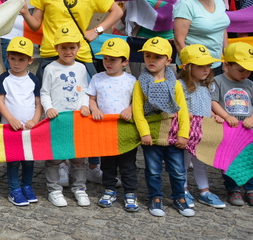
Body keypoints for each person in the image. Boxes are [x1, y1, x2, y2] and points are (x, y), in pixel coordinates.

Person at [132, 37, 193, 217]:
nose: (151, 60)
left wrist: (184, 134)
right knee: (152, 170)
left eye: (157, 57)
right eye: (148, 56)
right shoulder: (140, 84)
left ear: (168, 60)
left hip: (172, 135)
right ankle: (155, 197)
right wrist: (144, 133)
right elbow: (137, 110)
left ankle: (179, 197)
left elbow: (182, 110)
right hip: (152, 136)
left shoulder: (175, 85)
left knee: (177, 170)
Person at [41, 27, 91, 207]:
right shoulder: (50, 68)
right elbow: (45, 92)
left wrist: (85, 105)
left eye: (72, 48)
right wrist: (49, 108)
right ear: (56, 48)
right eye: (63, 48)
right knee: (55, 156)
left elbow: (85, 90)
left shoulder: (81, 68)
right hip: (58, 119)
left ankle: (79, 188)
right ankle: (53, 189)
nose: (68, 52)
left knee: (78, 156)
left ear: (78, 48)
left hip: (76, 119)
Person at [87, 38, 139, 212]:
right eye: (105, 58)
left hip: (125, 129)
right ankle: (109, 189)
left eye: (113, 59)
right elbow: (91, 98)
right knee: (107, 163)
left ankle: (130, 192)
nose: (108, 63)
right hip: (105, 128)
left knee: (128, 163)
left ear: (125, 62)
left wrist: (130, 109)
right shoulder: (97, 78)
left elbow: (137, 101)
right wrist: (94, 109)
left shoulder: (131, 80)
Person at [0, 36, 42, 206]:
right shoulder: (4, 78)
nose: (16, 63)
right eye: (13, 58)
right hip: (10, 127)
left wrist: (35, 120)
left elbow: (38, 103)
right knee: (13, 160)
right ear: (7, 57)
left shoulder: (33, 80)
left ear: (30, 60)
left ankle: (27, 186)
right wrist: (11, 119)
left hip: (29, 128)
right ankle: (14, 189)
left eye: (21, 59)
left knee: (29, 159)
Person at [176, 44, 225, 209]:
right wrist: (183, 114)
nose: (206, 70)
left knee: (201, 161)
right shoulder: (180, 86)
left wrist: (213, 115)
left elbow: (206, 105)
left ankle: (204, 191)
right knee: (183, 161)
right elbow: (176, 106)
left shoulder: (207, 85)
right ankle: (182, 190)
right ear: (187, 67)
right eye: (200, 66)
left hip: (202, 130)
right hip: (186, 130)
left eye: (208, 66)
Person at [210, 43, 253, 206]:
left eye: (249, 70)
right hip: (228, 130)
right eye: (241, 70)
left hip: (247, 131)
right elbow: (213, 101)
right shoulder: (218, 81)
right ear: (226, 65)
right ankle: (233, 188)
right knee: (228, 159)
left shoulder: (249, 84)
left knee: (249, 158)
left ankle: (250, 188)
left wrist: (252, 119)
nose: (246, 74)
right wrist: (226, 116)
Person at [173, 0, 230, 75]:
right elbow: (179, 41)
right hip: (195, 67)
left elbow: (222, 27)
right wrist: (190, 67)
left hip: (217, 64)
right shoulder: (186, 4)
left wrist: (227, 58)